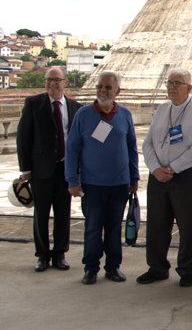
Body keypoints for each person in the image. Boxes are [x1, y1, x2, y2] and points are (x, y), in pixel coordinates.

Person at [138, 68, 192, 287]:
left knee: (188, 225)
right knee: (157, 224)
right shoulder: (161, 109)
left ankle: (187, 268)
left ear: (189, 88)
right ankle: (157, 268)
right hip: (159, 176)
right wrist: (155, 168)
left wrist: (173, 167)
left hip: (187, 176)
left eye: (177, 83)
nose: (171, 87)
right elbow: (148, 142)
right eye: (169, 83)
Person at [64, 71, 137, 284]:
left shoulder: (124, 114)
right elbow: (71, 149)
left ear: (117, 91)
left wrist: (134, 178)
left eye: (108, 87)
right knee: (93, 227)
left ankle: (113, 267)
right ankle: (91, 268)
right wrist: (72, 180)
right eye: (100, 86)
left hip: (120, 184)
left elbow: (132, 147)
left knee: (114, 227)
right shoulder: (83, 114)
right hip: (92, 184)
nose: (103, 91)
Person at [16, 66, 82, 272]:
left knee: (63, 214)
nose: (52, 83)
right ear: (45, 83)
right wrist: (25, 169)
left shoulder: (75, 107)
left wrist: (79, 171)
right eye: (49, 80)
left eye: (57, 80)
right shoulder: (34, 103)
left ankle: (59, 254)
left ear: (65, 83)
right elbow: (23, 137)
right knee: (41, 214)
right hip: (41, 171)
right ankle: (42, 255)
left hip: (65, 170)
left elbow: (79, 140)